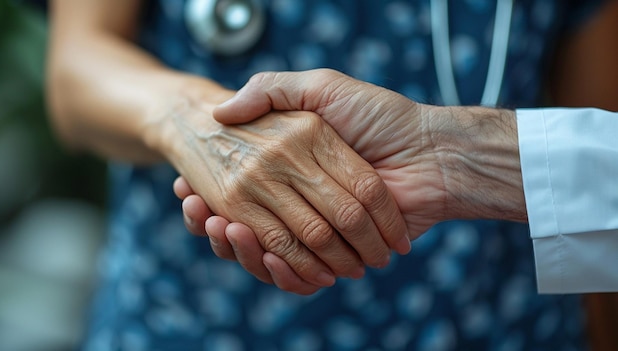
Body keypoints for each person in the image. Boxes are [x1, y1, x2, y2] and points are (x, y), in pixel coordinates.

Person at [46, 0, 618, 350]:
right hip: (202, 324)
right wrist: (195, 119)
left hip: (500, 318)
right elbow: (76, 66)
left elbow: (596, 123)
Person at [177, 69, 618, 295]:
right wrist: (191, 119)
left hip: (504, 294)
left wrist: (450, 156)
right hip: (197, 304)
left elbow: (595, 108)